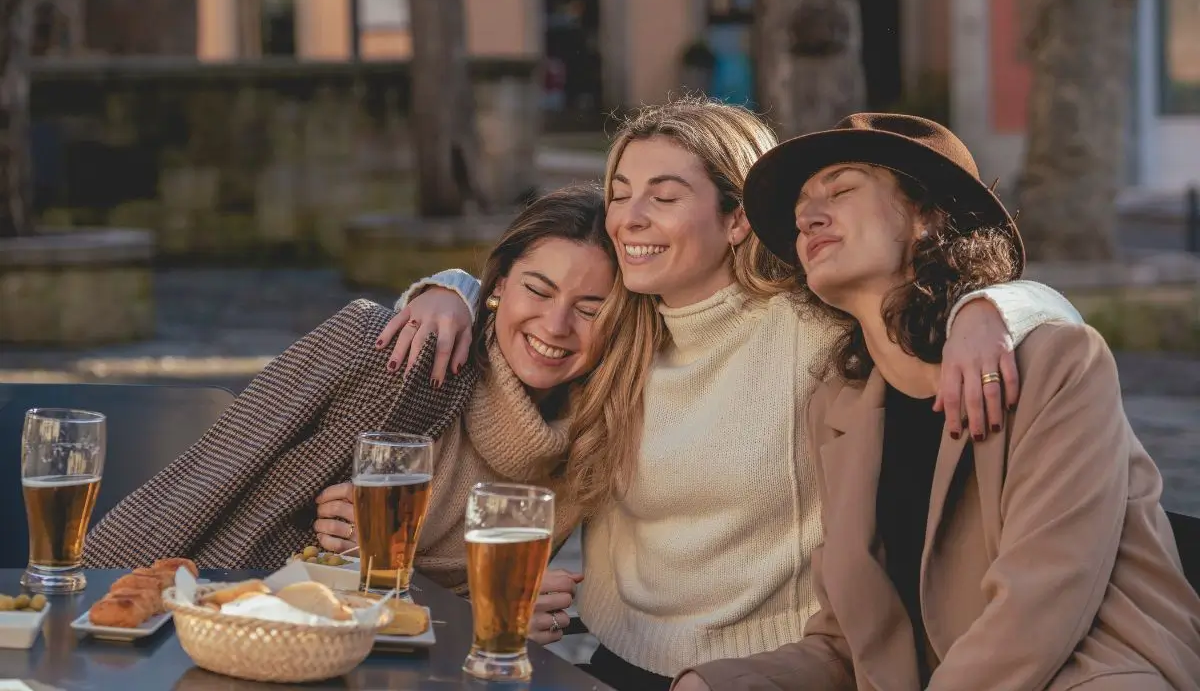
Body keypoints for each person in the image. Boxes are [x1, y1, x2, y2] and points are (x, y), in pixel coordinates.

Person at [376, 99, 1084, 689]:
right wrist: (456, 293)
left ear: (738, 218)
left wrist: (992, 310)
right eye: (620, 193)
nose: (630, 217)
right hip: (611, 664)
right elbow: (530, 304)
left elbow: (975, 301)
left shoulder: (814, 326)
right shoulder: (617, 328)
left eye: (665, 195)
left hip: (766, 673)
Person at [673, 113, 1200, 690]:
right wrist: (717, 683)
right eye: (802, 211)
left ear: (928, 217)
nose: (808, 216)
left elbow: (1042, 602)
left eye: (842, 189)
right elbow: (849, 646)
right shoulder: (839, 408)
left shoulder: (1056, 363)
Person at [83, 184, 616, 647]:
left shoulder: (590, 442)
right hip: (243, 627)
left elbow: (465, 610)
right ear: (499, 284)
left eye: (590, 309)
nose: (556, 324)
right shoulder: (399, 363)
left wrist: (491, 612)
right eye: (537, 290)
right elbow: (209, 486)